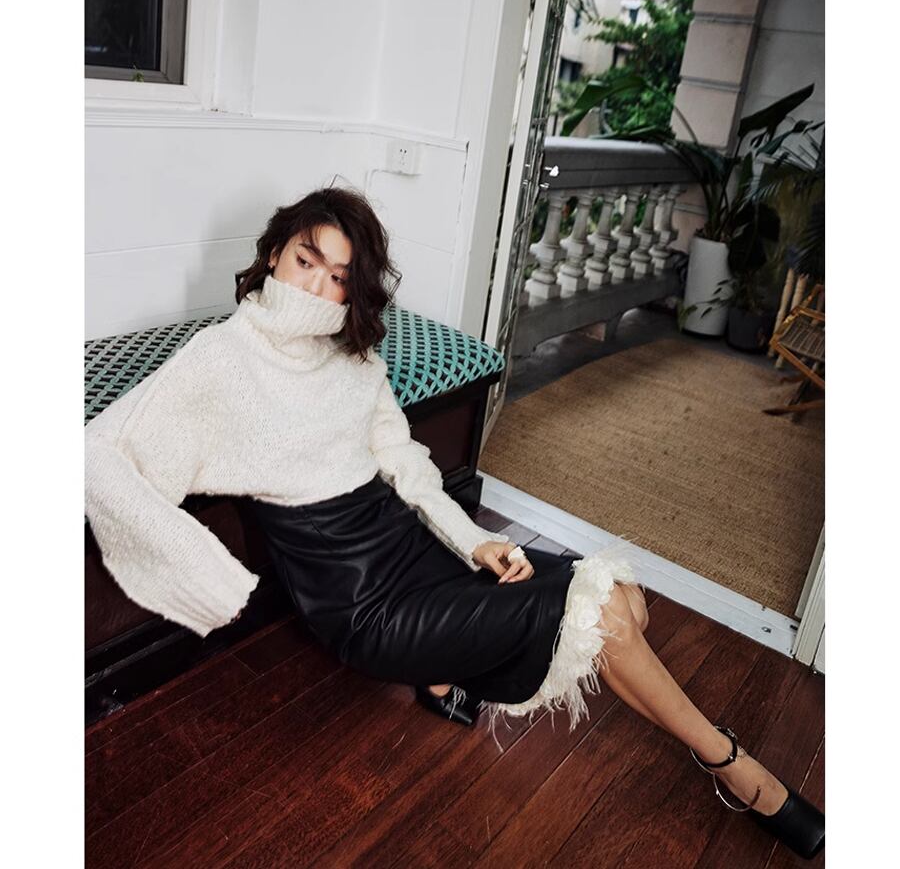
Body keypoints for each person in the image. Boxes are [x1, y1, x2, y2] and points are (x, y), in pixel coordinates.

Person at [84, 186, 824, 859]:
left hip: (411, 549)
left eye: (338, 276)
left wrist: (476, 541)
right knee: (603, 616)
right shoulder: (220, 360)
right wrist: (207, 574)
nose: (314, 287)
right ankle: (738, 769)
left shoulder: (351, 356)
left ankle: (441, 672)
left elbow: (405, 463)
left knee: (623, 599)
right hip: (359, 603)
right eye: (305, 260)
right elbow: (97, 452)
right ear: (275, 250)